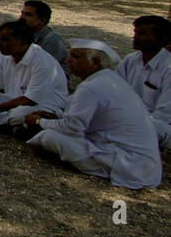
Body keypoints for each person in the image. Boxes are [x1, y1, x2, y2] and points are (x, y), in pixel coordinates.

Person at [24, 40, 162, 190]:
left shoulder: (92, 86)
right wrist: (53, 117)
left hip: (130, 164)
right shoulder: (108, 80)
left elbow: (72, 128)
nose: (69, 60)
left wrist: (39, 121)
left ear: (95, 62)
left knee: (49, 137)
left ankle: (99, 169)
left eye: (76, 56)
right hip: (142, 165)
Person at [0, 19, 69, 132]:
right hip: (12, 100)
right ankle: (6, 124)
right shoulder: (3, 55)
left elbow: (29, 100)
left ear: (23, 42)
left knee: (19, 114)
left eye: (6, 40)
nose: (0, 43)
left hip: (42, 105)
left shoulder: (42, 61)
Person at [114, 15, 171, 149]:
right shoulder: (131, 60)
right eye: (135, 32)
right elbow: (113, 90)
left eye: (143, 34)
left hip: (157, 125)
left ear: (161, 39)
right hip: (127, 119)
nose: (136, 37)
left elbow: (164, 115)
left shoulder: (168, 68)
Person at [0, 0, 68, 69]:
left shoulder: (52, 41)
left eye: (28, 15)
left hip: (45, 83)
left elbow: (44, 67)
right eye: (22, 13)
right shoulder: (19, 31)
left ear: (42, 20)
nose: (22, 18)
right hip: (24, 75)